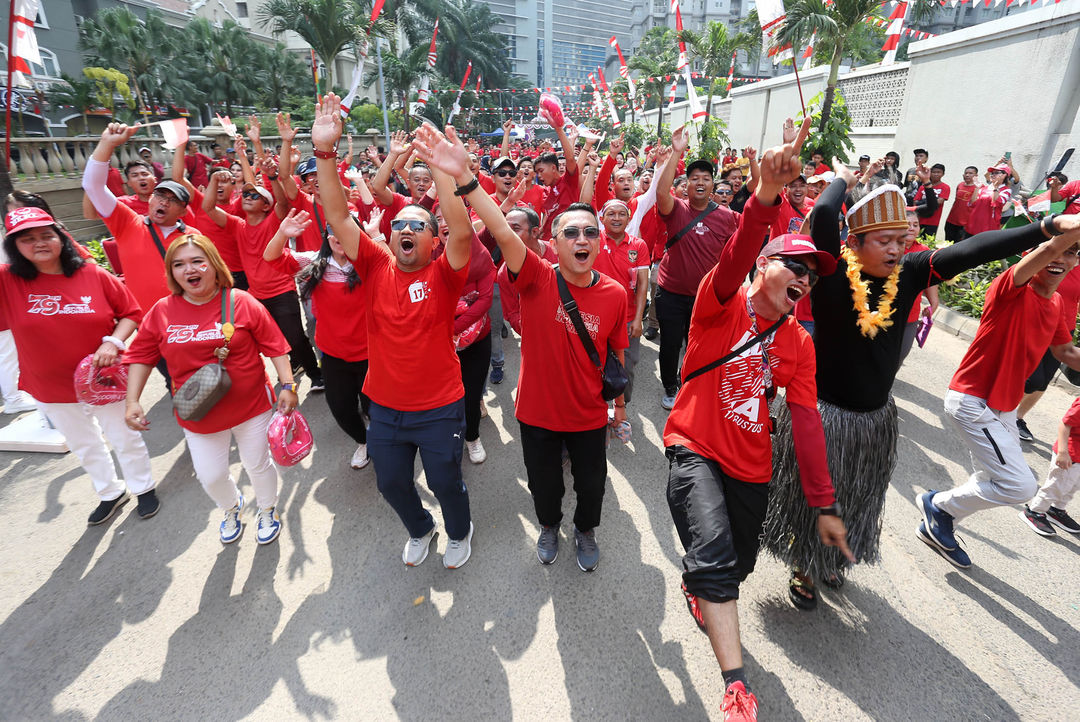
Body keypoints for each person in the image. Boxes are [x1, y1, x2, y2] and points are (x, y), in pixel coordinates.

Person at [762, 164, 1080, 602]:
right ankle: (805, 562)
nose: (896, 248)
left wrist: (1045, 227)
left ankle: (832, 559)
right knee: (813, 496)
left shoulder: (910, 272)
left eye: (901, 239)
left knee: (857, 497)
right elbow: (822, 216)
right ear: (853, 242)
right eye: (884, 241)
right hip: (823, 414)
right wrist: (843, 180)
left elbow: (975, 251)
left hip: (874, 418)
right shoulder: (832, 271)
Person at [664, 119, 851, 720]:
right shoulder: (719, 305)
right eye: (794, 266)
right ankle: (736, 683)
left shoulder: (800, 344)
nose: (805, 277)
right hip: (695, 448)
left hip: (753, 468)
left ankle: (705, 587)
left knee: (736, 567)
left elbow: (807, 423)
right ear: (764, 267)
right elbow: (737, 248)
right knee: (716, 553)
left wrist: (824, 504)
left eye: (813, 274)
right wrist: (766, 193)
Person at [312, 94, 474, 570]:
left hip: (441, 405)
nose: (406, 228)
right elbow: (339, 216)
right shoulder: (375, 261)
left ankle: (460, 531)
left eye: (418, 226)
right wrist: (324, 154)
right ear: (390, 234)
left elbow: (463, 233)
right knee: (391, 483)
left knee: (446, 480)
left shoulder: (445, 273)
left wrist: (443, 169)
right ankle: (421, 528)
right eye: (399, 224)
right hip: (385, 406)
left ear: (432, 241)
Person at [460, 156, 628, 571]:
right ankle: (549, 525)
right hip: (537, 414)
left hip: (589, 415)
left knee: (591, 486)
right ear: (554, 241)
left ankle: (585, 531)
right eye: (570, 232)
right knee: (544, 484)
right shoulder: (534, 275)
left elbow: (616, 352)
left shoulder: (614, 294)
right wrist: (464, 178)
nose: (581, 239)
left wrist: (619, 406)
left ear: (599, 241)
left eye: (590, 232)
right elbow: (499, 228)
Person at [917, 216, 1080, 569]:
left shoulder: (1055, 307)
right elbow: (1053, 246)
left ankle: (940, 520)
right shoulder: (1011, 287)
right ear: (1032, 253)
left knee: (991, 478)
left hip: (1002, 409)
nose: (1061, 258)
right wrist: (1064, 232)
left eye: (1073, 253)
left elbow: (1067, 354)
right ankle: (939, 506)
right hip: (973, 401)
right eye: (1055, 249)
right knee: (1020, 487)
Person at [124, 233, 297, 545]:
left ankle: (267, 508)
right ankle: (231, 507)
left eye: (197, 261)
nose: (189, 269)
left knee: (257, 463)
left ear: (214, 265)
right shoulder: (162, 310)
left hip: (251, 404)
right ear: (171, 272)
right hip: (198, 410)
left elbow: (275, 345)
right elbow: (141, 355)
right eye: (179, 264)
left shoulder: (241, 302)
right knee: (211, 475)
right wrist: (132, 400)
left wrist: (288, 383)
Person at [1, 206, 157, 524]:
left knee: (124, 435)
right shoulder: (7, 282)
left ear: (61, 237)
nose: (40, 243)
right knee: (84, 444)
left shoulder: (91, 273)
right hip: (50, 385)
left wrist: (112, 342)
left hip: (104, 380)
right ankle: (110, 492)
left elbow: (131, 312)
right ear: (13, 246)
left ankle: (143, 487)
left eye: (47, 235)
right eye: (27, 238)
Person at [264, 208, 379, 470]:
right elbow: (271, 258)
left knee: (375, 408)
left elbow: (397, 265)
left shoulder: (370, 262)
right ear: (327, 238)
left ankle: (382, 441)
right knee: (341, 408)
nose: (339, 236)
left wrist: (375, 236)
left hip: (371, 354)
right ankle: (364, 442)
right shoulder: (313, 262)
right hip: (333, 356)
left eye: (347, 230)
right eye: (333, 231)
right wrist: (282, 233)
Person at [200, 163, 325, 392]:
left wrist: (273, 177)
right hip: (255, 295)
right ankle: (281, 375)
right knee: (266, 341)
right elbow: (208, 207)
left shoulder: (274, 221)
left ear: (266, 205)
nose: (247, 197)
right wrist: (214, 181)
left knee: (296, 337)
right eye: (245, 193)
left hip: (281, 291)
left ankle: (316, 376)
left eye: (254, 195)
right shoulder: (237, 225)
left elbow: (283, 203)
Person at [654, 127, 739, 410]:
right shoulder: (676, 209)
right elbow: (660, 192)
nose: (700, 182)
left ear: (713, 185)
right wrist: (676, 152)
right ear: (686, 185)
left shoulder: (727, 218)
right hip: (671, 293)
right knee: (669, 345)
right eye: (694, 178)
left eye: (706, 178)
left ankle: (689, 381)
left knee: (698, 344)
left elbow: (732, 256)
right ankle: (670, 385)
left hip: (705, 297)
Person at [82, 123, 202, 316]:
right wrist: (107, 144)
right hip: (146, 320)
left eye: (172, 200)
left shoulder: (193, 235)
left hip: (190, 318)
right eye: (160, 196)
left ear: (183, 211)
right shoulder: (128, 223)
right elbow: (92, 185)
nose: (163, 202)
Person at [592, 198, 650, 414]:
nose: (616, 218)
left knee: (626, 364)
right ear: (602, 218)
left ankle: (621, 408)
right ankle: (596, 408)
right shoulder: (593, 240)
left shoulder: (638, 245)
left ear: (629, 218)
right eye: (611, 214)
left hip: (627, 318)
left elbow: (643, 284)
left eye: (621, 214)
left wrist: (637, 319)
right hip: (595, 317)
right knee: (593, 364)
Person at [1020, 397, 1080, 536]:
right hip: (1069, 455)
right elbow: (1065, 425)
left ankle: (1056, 510)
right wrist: (1062, 452)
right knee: (1056, 486)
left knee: (1072, 487)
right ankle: (1034, 511)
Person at [965, 164, 1011, 236]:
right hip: (972, 225)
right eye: (992, 173)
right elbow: (971, 203)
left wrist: (995, 188)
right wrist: (977, 188)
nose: (992, 175)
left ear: (1004, 175)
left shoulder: (1006, 190)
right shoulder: (984, 188)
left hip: (987, 229)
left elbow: (997, 202)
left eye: (996, 173)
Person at [913, 163, 950, 238]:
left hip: (933, 222)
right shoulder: (923, 187)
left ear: (943, 174)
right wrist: (930, 202)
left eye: (938, 172)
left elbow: (939, 202)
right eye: (934, 172)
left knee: (928, 243)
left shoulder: (945, 187)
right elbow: (915, 202)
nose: (936, 174)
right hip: (919, 219)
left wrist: (922, 202)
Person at [944, 166, 979, 242]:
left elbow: (974, 203)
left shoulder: (978, 188)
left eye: (970, 173)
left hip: (965, 223)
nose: (967, 175)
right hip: (951, 220)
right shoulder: (960, 185)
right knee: (947, 243)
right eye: (966, 173)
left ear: (976, 176)